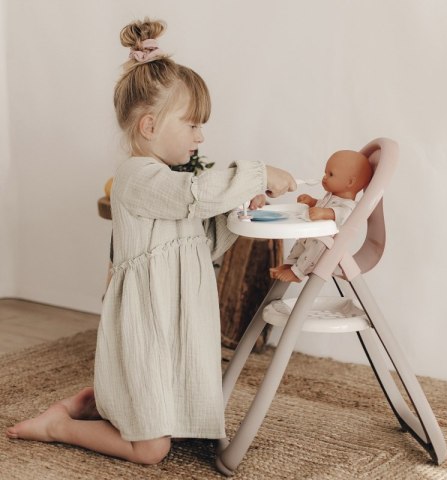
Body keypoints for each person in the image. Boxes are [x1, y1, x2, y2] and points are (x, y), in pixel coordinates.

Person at [6, 18, 296, 465]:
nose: (201, 136)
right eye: (193, 125)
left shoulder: (170, 182)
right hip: (148, 319)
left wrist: (236, 209)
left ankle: (103, 405)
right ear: (149, 125)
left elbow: (201, 243)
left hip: (175, 317)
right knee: (151, 449)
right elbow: (193, 195)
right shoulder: (137, 177)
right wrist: (256, 174)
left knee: (175, 403)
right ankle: (59, 424)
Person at [270, 150, 372, 283]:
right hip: (313, 234)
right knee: (299, 244)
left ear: (350, 182)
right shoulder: (331, 196)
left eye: (331, 174)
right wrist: (312, 202)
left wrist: (324, 213)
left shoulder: (350, 205)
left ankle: (298, 273)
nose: (324, 177)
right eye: (325, 173)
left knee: (312, 252)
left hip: (325, 242)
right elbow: (323, 205)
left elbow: (343, 215)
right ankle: (289, 264)